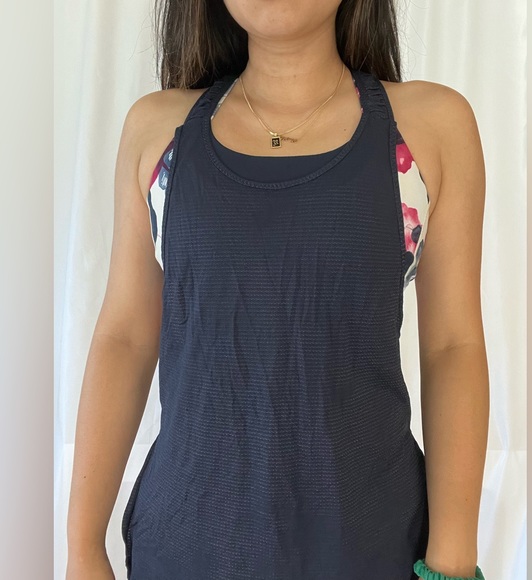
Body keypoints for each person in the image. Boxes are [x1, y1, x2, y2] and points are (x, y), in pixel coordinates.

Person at [66, 1, 489, 579]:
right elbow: (124, 338)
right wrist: (82, 548)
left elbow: (453, 347)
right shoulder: (158, 132)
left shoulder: (430, 128)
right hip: (185, 549)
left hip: (372, 548)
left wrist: (453, 563)